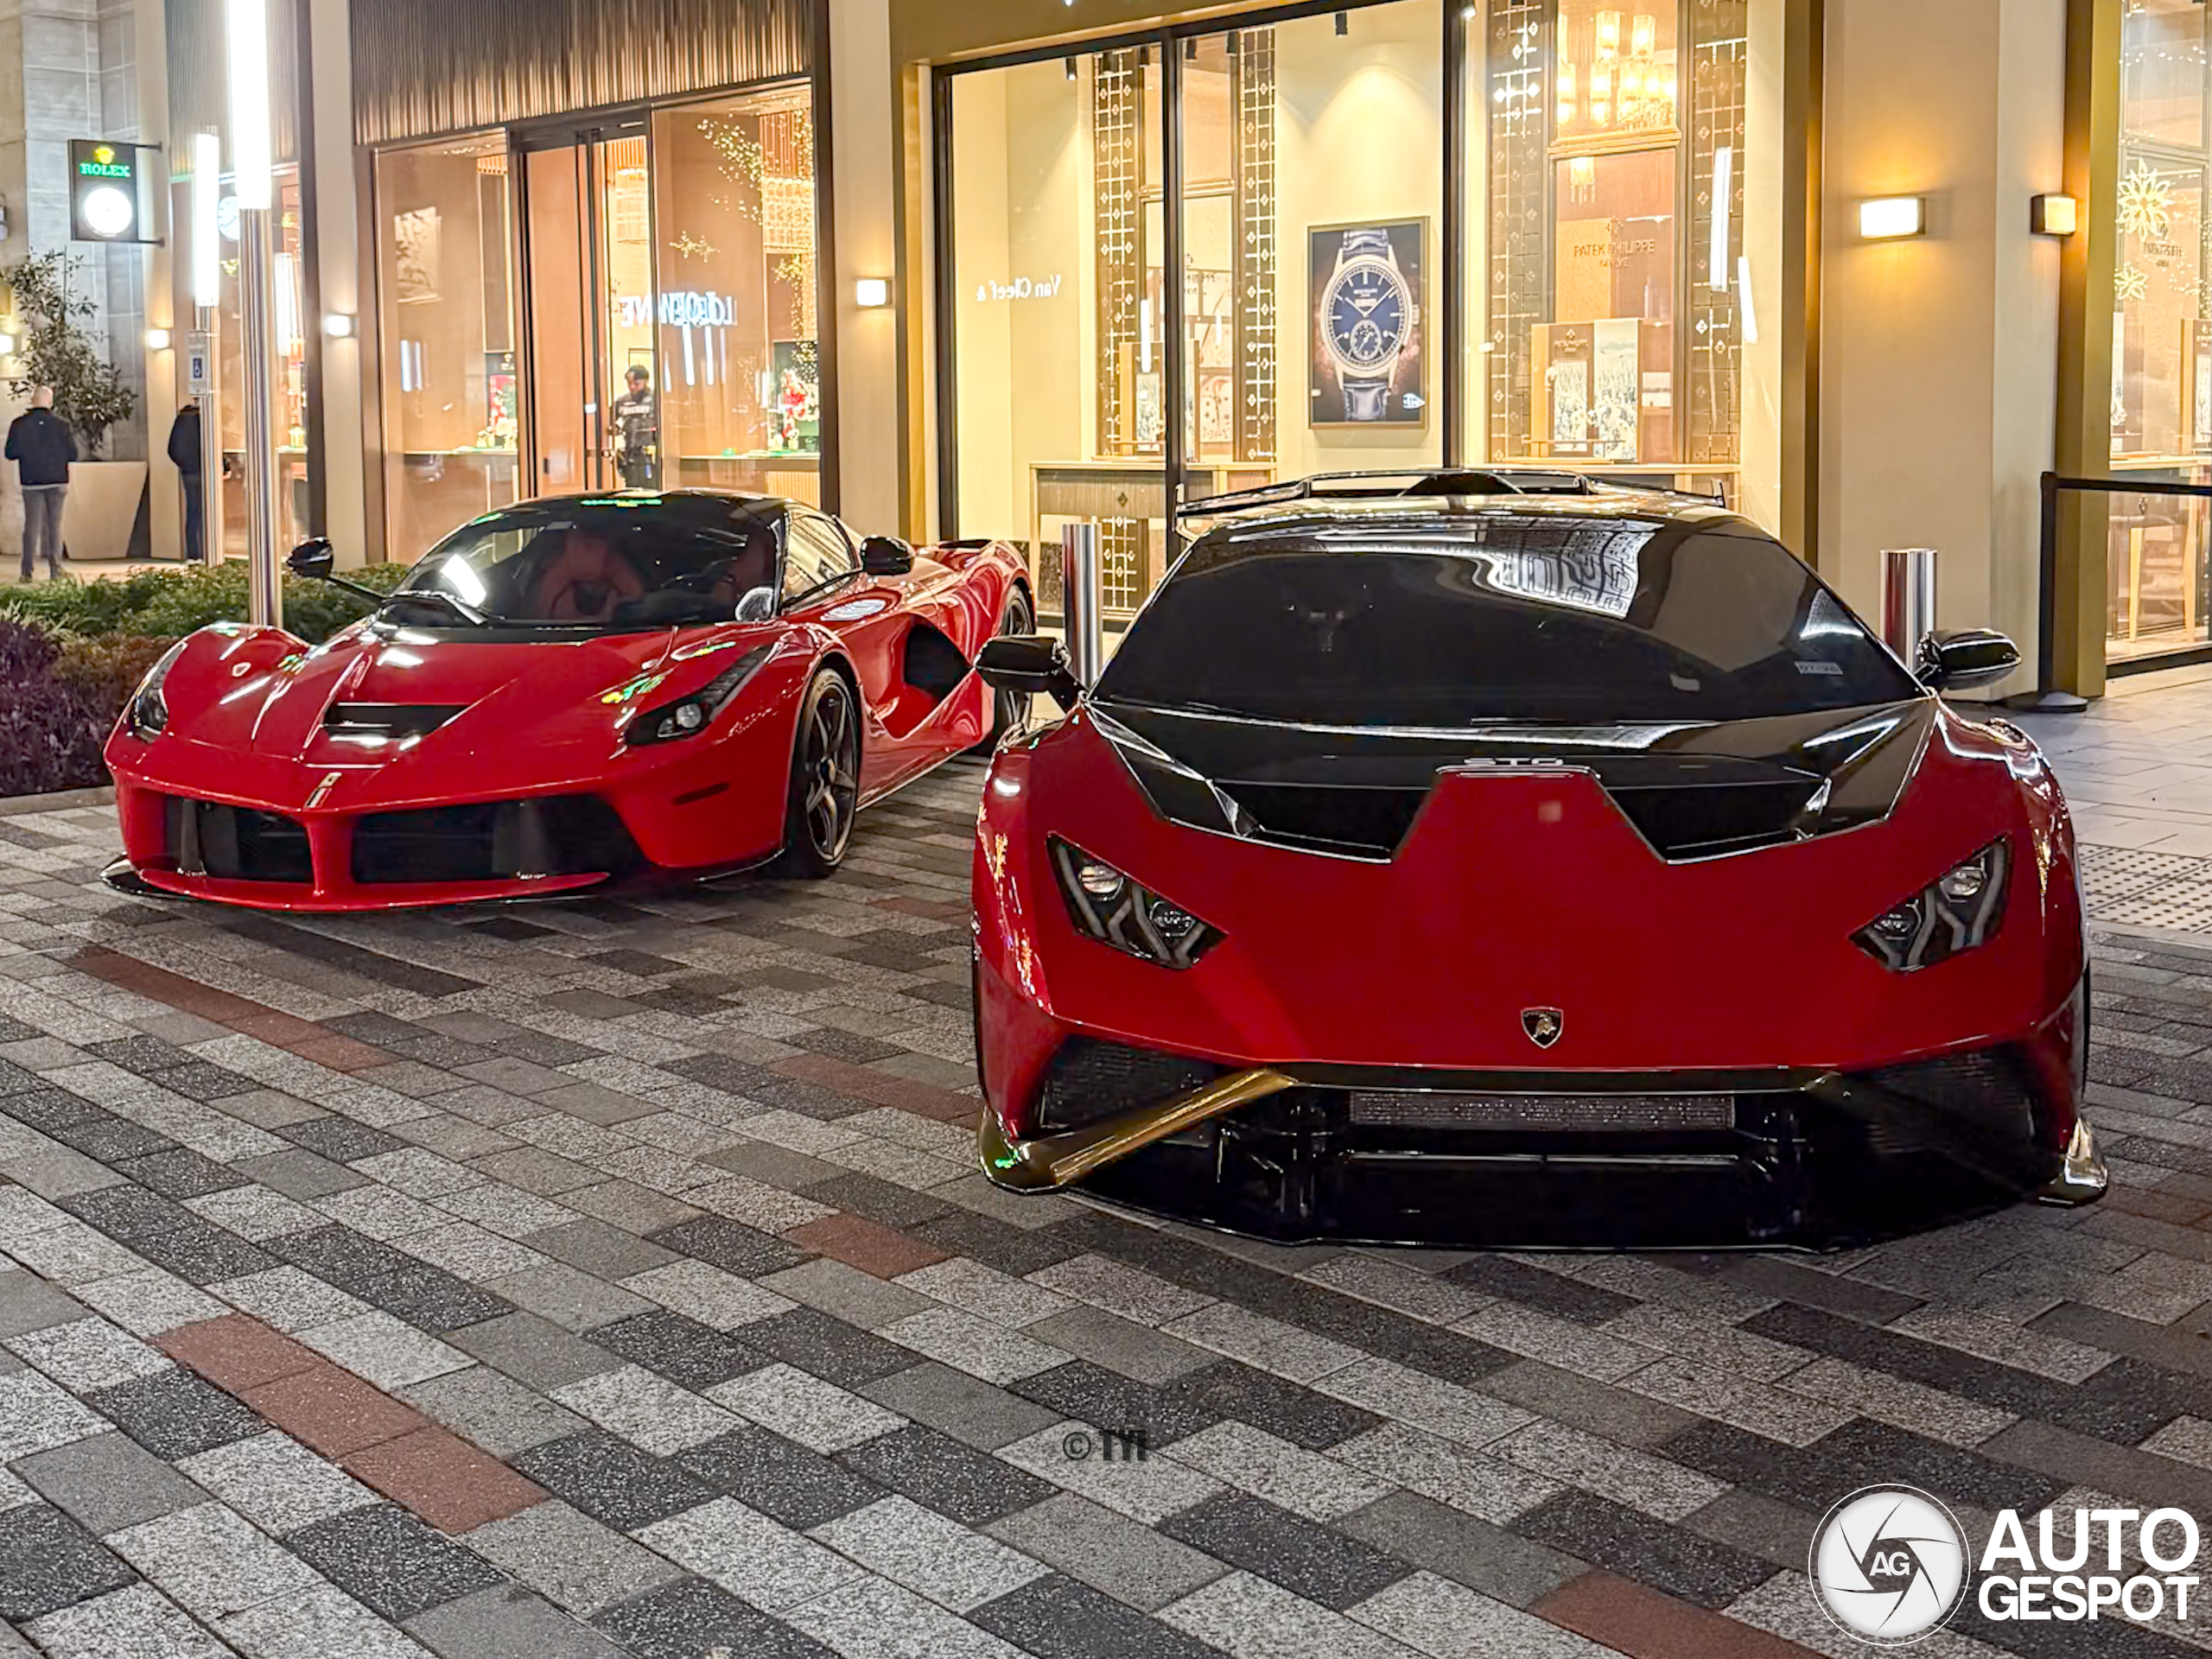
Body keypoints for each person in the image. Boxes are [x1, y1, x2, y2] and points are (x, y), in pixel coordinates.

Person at [5, 386, 75, 583]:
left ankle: (27, 571)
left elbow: (10, 453)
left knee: (31, 526)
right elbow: (73, 453)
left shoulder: (18, 425)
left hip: (31, 481)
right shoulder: (62, 425)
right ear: (50, 402)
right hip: (57, 480)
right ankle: (56, 570)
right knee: (55, 526)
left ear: (32, 400)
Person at [168, 402, 207, 563]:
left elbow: (172, 449)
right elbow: (213, 446)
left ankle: (193, 554)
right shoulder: (203, 420)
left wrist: (184, 464)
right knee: (207, 513)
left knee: (193, 512)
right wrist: (224, 466)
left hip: (189, 472)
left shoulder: (181, 420)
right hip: (205, 471)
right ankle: (208, 551)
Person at [612, 365, 657, 489]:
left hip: (650, 454)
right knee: (632, 487)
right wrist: (614, 428)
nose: (632, 387)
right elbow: (608, 420)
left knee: (650, 488)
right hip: (630, 453)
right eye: (629, 383)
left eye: (636, 384)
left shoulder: (656, 399)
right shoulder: (622, 401)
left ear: (645, 381)